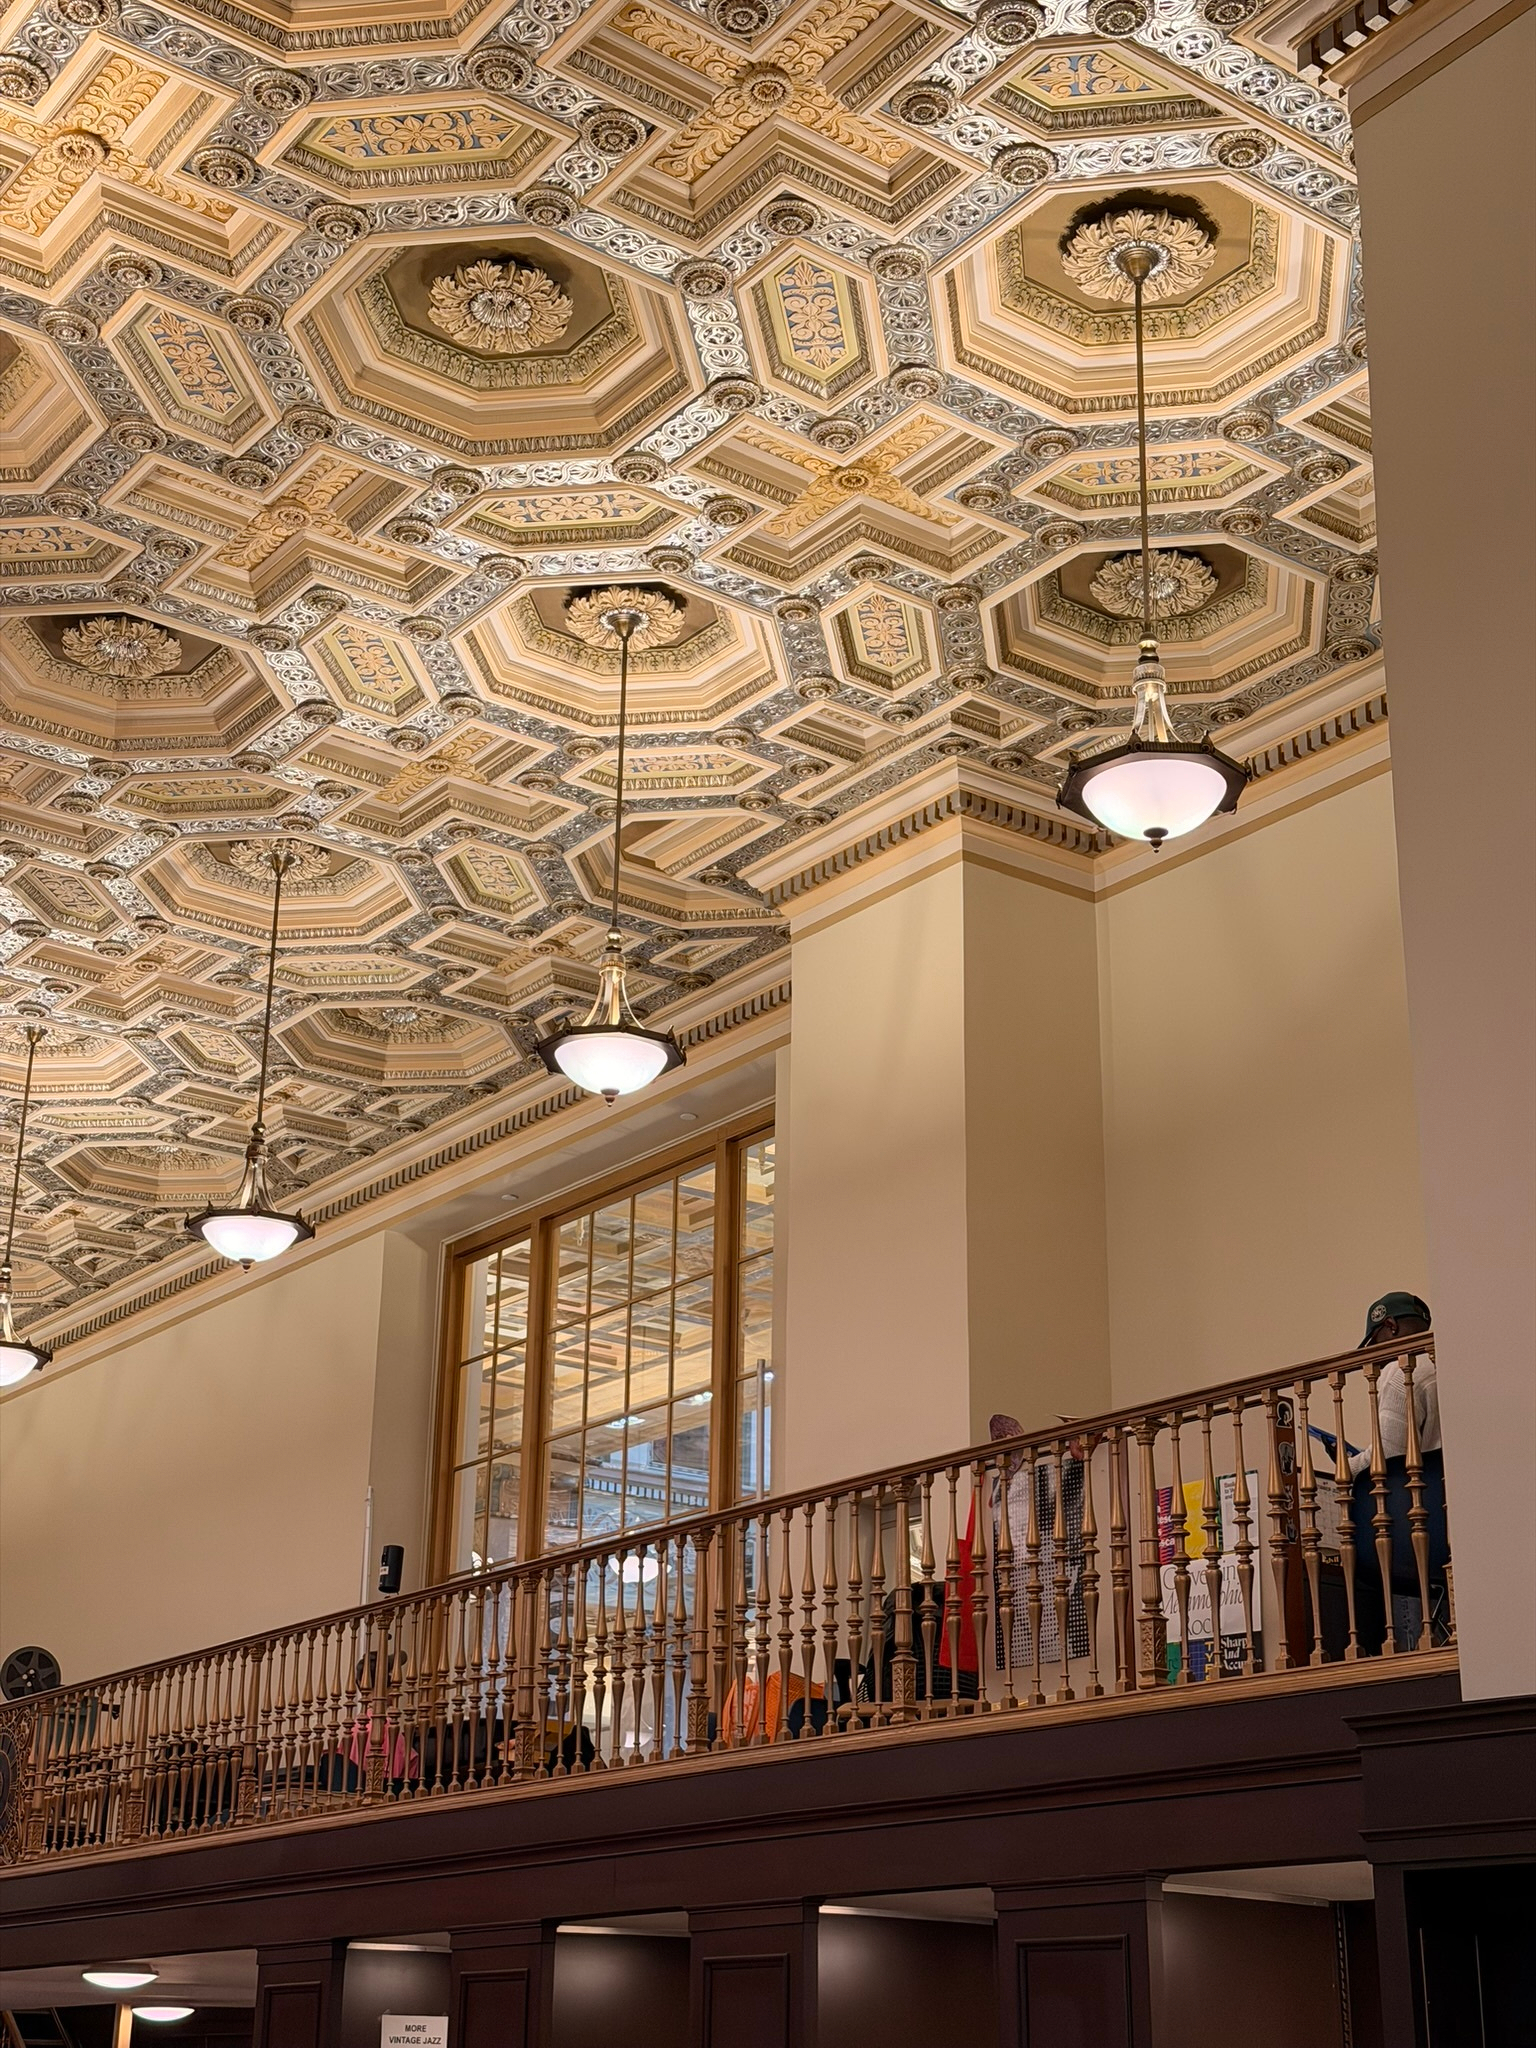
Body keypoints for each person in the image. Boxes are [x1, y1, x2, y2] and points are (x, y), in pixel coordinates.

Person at [1347, 1292, 1449, 1653]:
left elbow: (1387, 1460)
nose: (1374, 1360)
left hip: (1422, 1530)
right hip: (1462, 1525)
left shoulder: (1400, 1372)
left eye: (1374, 1345)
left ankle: (1411, 1654)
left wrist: (1347, 1465)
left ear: (1389, 1326)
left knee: (1384, 1518)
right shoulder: (1451, 1363)